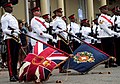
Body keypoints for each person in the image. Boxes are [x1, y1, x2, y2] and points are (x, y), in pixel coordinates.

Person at [1, 2, 21, 82]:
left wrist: (18, 32)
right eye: (9, 7)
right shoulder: (5, 17)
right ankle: (11, 75)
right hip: (9, 38)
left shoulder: (12, 17)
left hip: (15, 38)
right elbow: (4, 29)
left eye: (11, 7)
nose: (11, 9)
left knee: (15, 58)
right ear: (5, 8)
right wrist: (12, 32)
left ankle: (15, 74)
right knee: (10, 58)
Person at [52, 8, 72, 73]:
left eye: (61, 12)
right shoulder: (56, 20)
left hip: (65, 38)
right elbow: (53, 30)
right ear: (56, 13)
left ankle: (64, 67)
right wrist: (61, 30)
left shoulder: (61, 20)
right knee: (62, 54)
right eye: (59, 12)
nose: (61, 13)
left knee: (67, 54)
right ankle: (61, 68)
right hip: (60, 39)